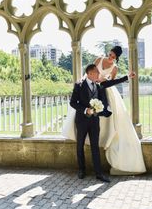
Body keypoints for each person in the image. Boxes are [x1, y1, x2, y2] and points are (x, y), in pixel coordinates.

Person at [62, 45, 146, 175]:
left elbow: (110, 82)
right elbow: (88, 73)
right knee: (81, 110)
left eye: (113, 57)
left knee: (107, 109)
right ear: (109, 52)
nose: (111, 57)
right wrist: (84, 83)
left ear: (116, 58)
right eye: (110, 54)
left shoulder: (114, 68)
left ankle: (105, 115)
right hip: (89, 87)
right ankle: (82, 170)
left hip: (101, 88)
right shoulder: (99, 60)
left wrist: (126, 77)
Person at [70, 64, 135, 182]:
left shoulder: (99, 84)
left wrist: (127, 76)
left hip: (94, 121)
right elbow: (73, 103)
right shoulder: (79, 85)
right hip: (81, 121)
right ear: (89, 73)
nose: (99, 74)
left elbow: (113, 82)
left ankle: (99, 173)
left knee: (95, 147)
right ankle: (81, 170)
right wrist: (85, 110)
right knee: (80, 145)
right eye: (96, 72)